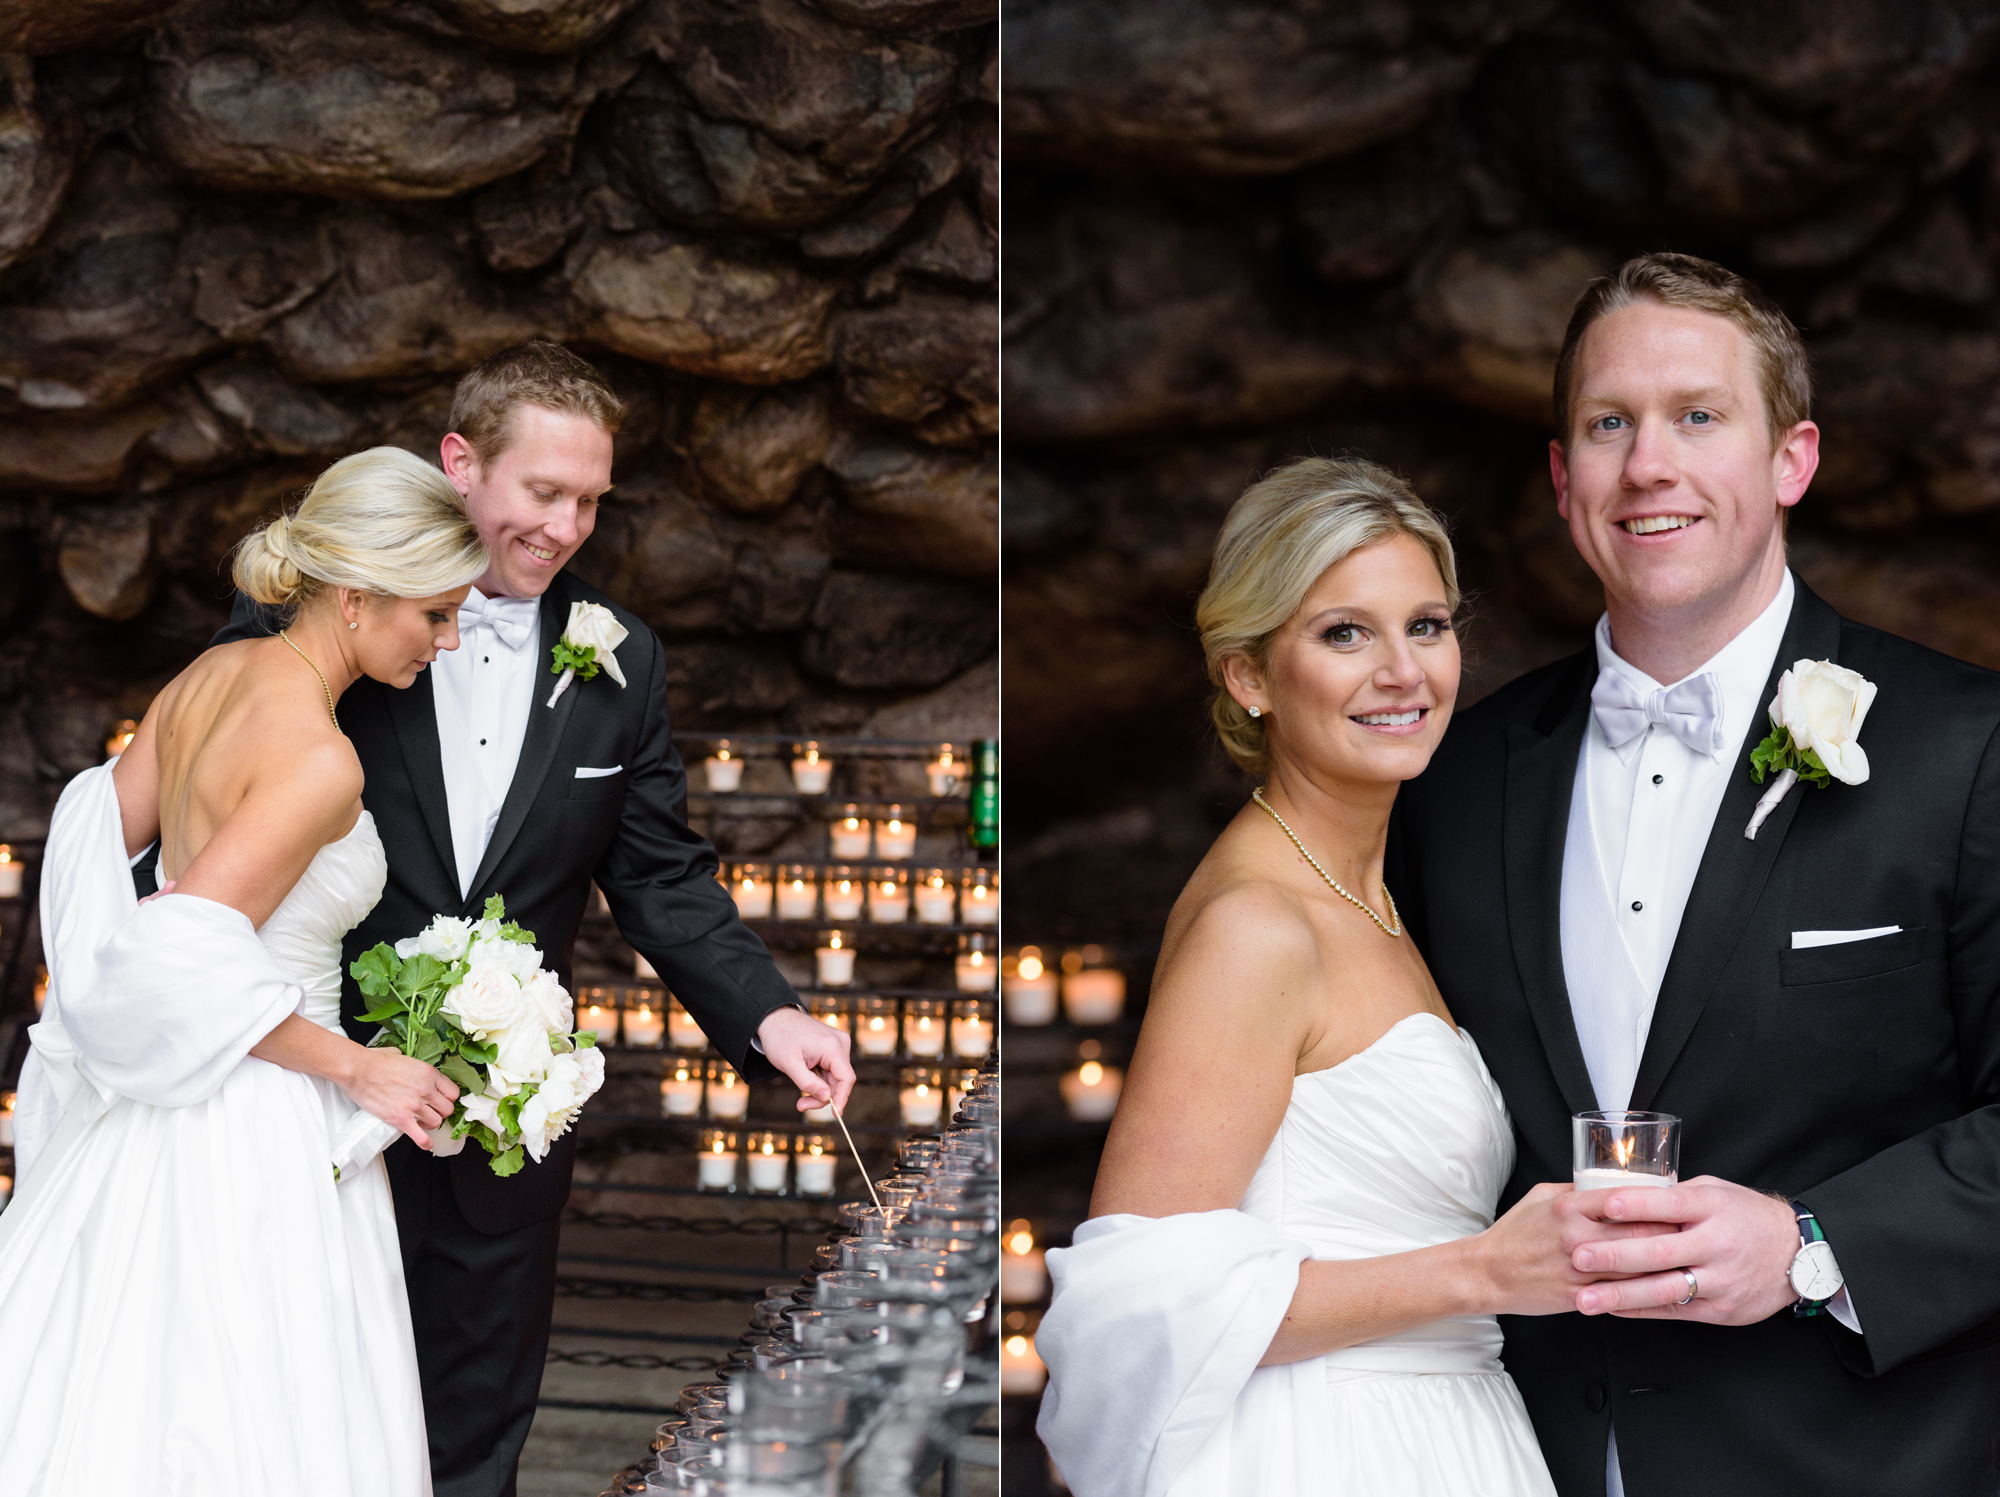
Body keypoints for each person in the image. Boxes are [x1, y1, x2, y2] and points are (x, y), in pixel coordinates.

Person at [199, 341, 855, 1497]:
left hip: (501, 1126)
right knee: (292, 1419)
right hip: (312, 1102)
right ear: (461, 465)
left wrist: (771, 1018)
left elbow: (659, 874)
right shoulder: (316, 630)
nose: (565, 527)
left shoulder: (623, 657)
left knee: (475, 1435)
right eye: (542, 492)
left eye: (591, 500)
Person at [1390, 252, 2000, 1495]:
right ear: (1563, 481)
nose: (1647, 465)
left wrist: (1809, 1247)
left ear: (1792, 459)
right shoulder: (1454, 783)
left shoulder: (1965, 750)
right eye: (1607, 424)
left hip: (1856, 1463)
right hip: (1516, 1458)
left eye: (1697, 417)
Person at [1036, 458, 1665, 1497]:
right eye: (1343, 633)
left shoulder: (1378, 898)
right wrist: (1485, 1272)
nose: (1402, 671)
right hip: (1315, 1446)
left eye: (1424, 625)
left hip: (1447, 1431)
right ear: (1246, 675)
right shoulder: (1257, 927)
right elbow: (1125, 1309)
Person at [0, 445, 486, 1494]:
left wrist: (98, 1005)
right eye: (435, 614)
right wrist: (361, 1070)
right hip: (257, 1116)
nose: (446, 641)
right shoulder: (319, 758)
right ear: (355, 597)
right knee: (254, 1402)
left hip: (156, 1103)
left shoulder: (207, 677)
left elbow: (89, 842)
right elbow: (185, 947)